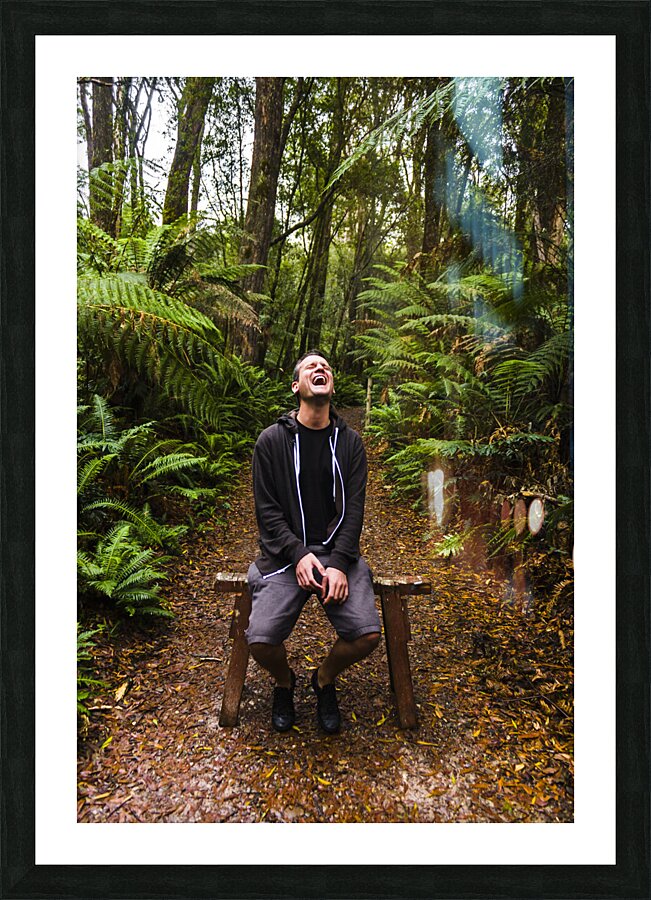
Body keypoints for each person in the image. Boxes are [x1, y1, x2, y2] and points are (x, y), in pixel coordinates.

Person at [245, 351, 381, 733]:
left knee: (366, 635)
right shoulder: (270, 442)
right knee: (261, 639)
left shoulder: (351, 444)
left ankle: (322, 679)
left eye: (326, 367)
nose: (320, 369)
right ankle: (285, 683)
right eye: (310, 367)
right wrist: (299, 553)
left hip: (338, 555)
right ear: (296, 387)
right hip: (285, 556)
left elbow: (355, 510)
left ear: (331, 385)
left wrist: (339, 562)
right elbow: (267, 511)